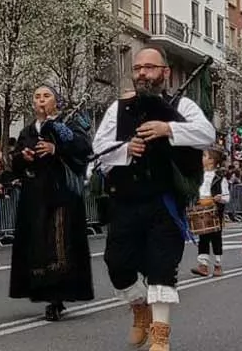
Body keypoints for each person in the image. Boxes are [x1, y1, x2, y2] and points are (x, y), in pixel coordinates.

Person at [91, 44, 217, 351]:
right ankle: (139, 307)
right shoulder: (118, 109)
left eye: (149, 67)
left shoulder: (182, 106)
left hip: (163, 201)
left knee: (162, 266)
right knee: (117, 264)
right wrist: (126, 149)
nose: (143, 73)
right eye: (137, 68)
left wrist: (168, 128)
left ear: (165, 72)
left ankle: (160, 335)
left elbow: (207, 134)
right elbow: (99, 148)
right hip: (125, 200)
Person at [7, 83, 95, 320]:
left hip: (61, 194)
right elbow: (14, 163)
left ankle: (58, 296)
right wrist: (22, 157)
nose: (41, 100)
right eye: (37, 96)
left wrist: (56, 148)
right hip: (34, 195)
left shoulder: (67, 124)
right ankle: (41, 289)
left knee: (58, 243)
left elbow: (84, 148)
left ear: (56, 100)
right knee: (37, 244)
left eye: (46, 96)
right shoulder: (28, 131)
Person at [188, 149, 229, 279]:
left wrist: (219, 198)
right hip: (201, 207)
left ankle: (218, 264)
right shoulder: (197, 175)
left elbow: (227, 196)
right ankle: (203, 265)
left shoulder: (219, 178)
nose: (202, 158)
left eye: (204, 156)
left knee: (216, 238)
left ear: (211, 160)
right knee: (203, 238)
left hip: (214, 210)